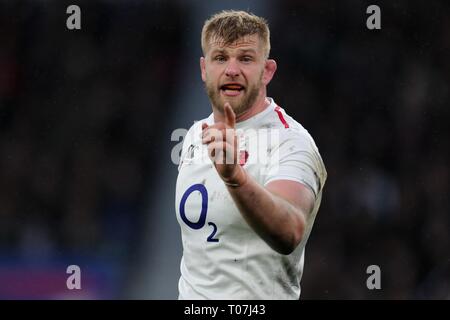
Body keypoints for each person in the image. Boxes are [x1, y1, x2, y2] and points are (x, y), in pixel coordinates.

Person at [175, 10, 327, 300]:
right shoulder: (194, 135)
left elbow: (289, 231)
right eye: (220, 58)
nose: (232, 69)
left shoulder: (291, 142)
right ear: (204, 69)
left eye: (245, 58)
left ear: (267, 70)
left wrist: (235, 179)